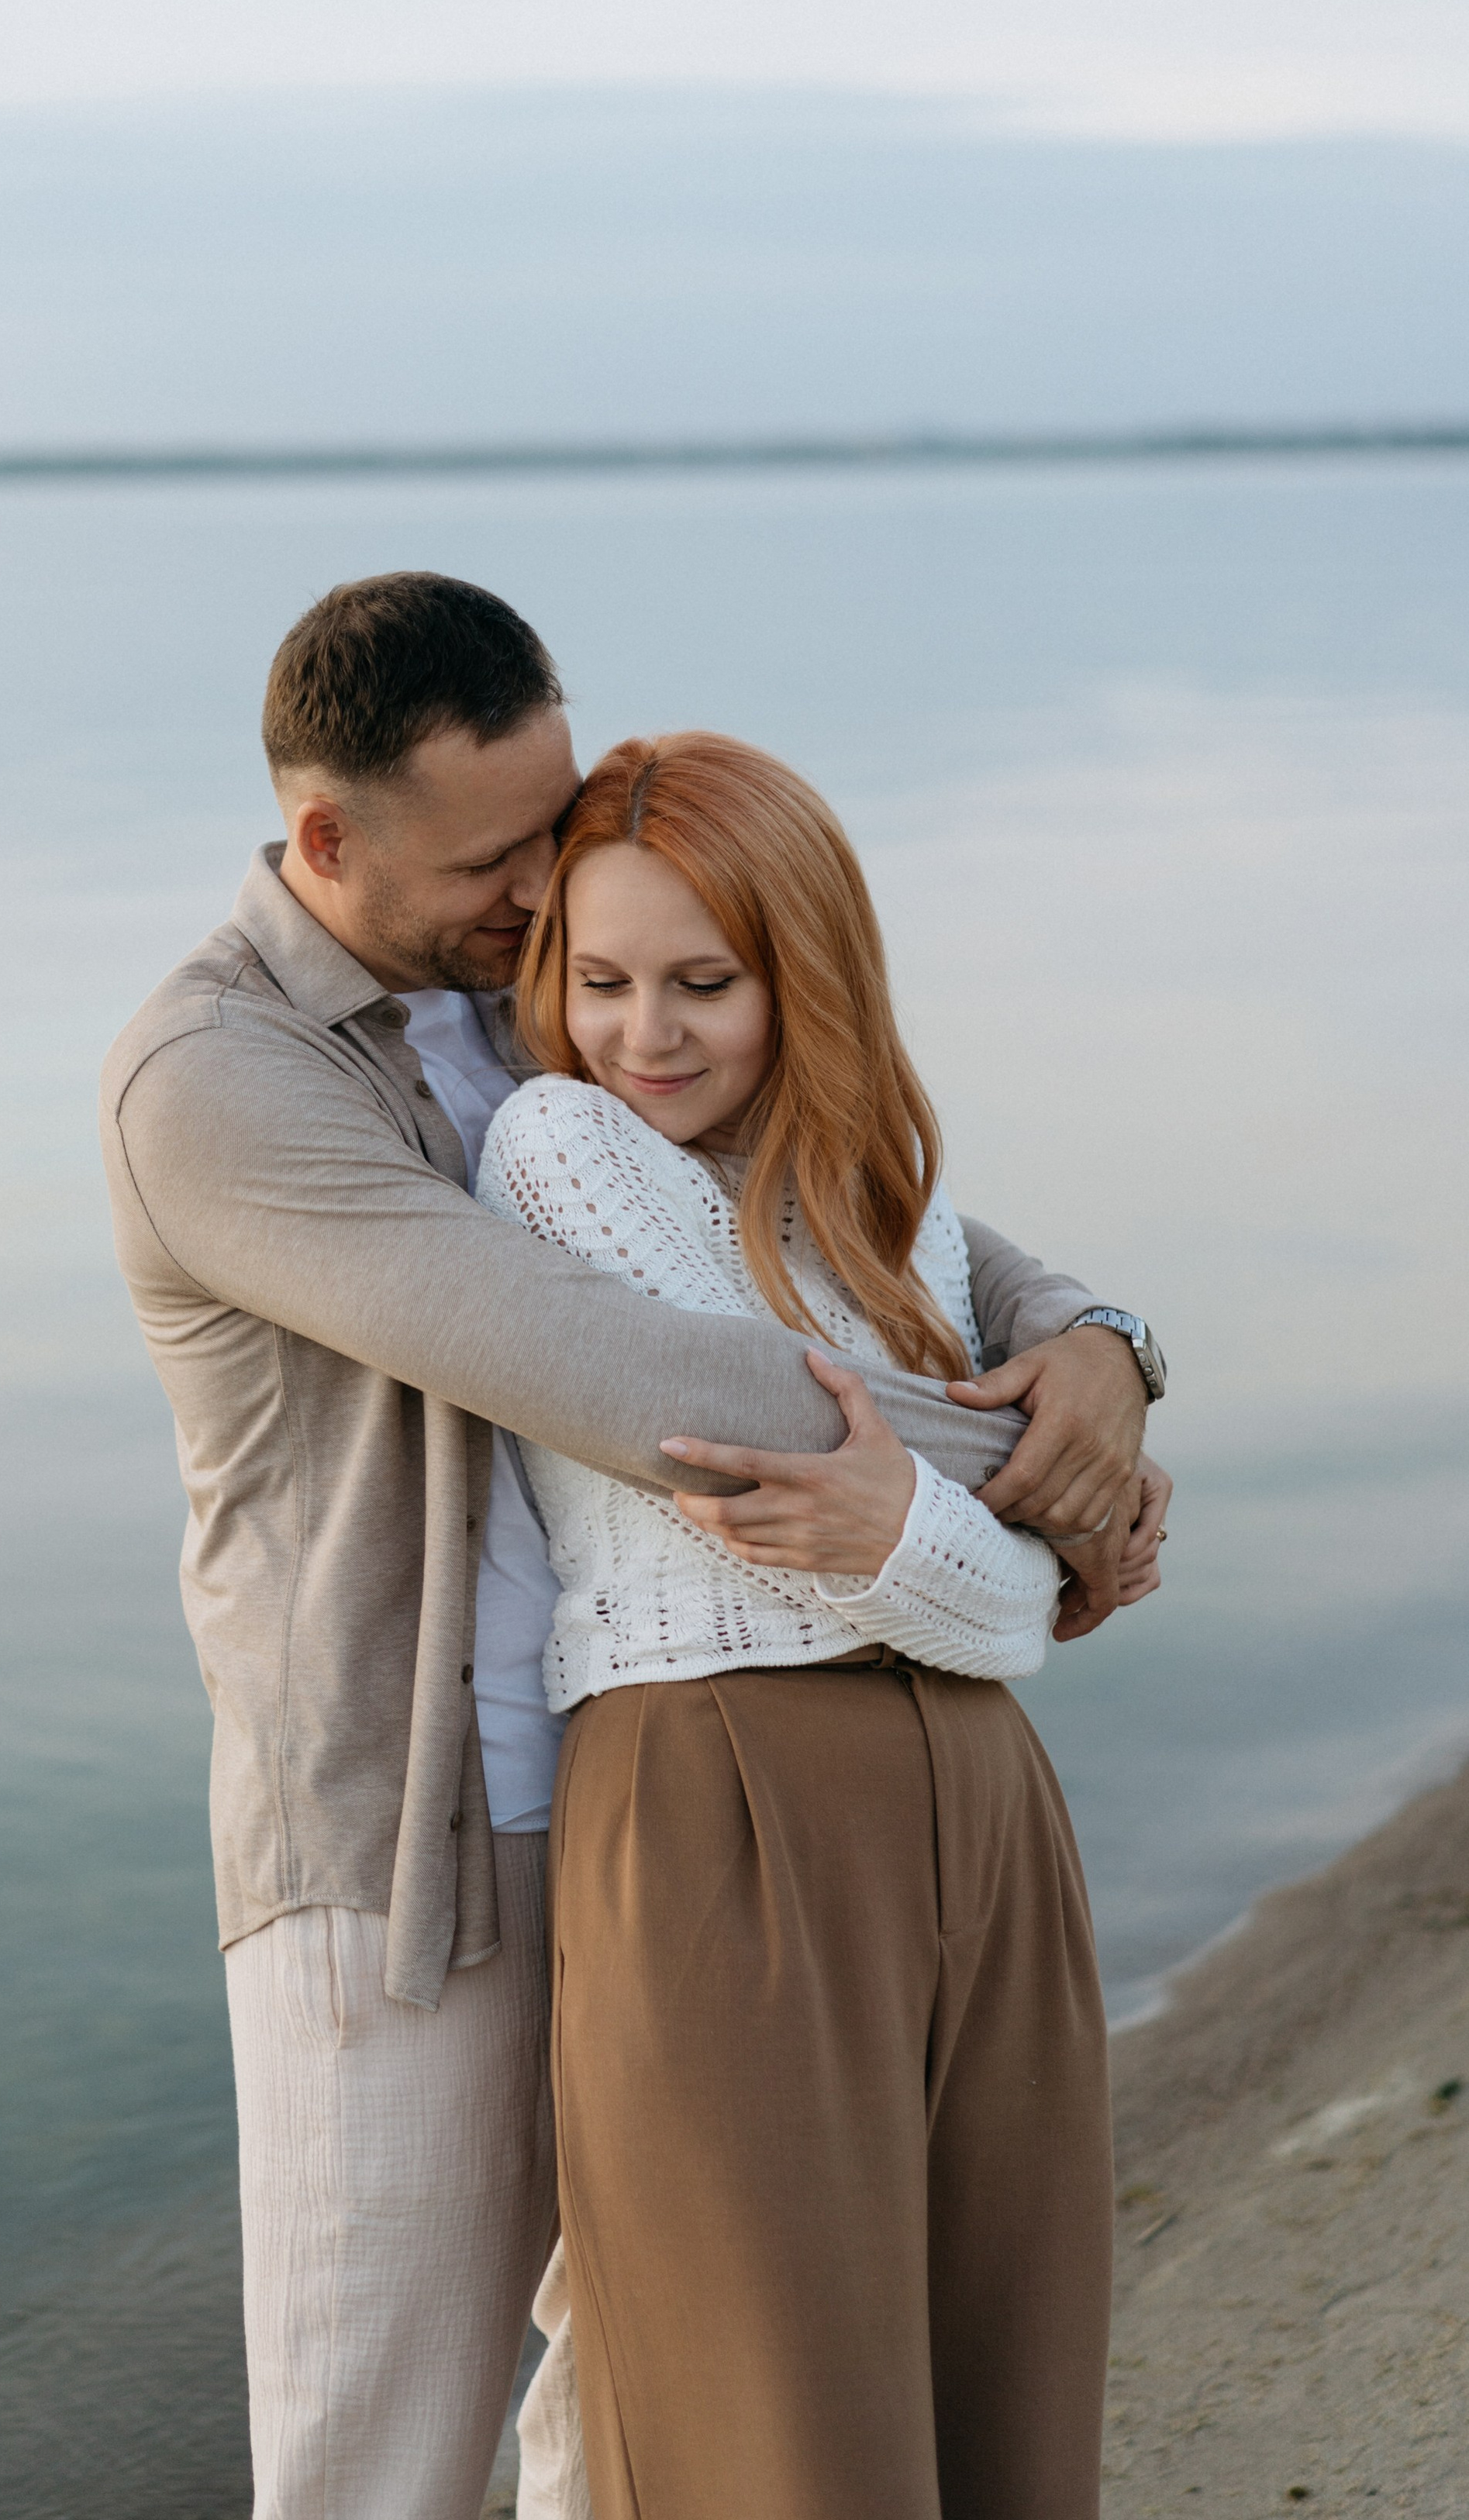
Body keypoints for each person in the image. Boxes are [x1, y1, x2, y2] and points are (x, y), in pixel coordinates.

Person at [98, 574, 1166, 2520]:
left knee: (639, 2416)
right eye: (499, 854)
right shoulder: (221, 1081)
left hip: (632, 1773)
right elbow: (661, 1386)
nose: (549, 883)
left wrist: (1100, 1346)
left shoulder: (548, 989)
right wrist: (1025, 1498)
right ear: (328, 838)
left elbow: (864, 1216)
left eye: (557, 815)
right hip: (401, 1839)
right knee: (377, 2453)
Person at [475, 727, 1167, 2520]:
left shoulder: (894, 1206)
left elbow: (961, 1568)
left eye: (705, 982)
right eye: (603, 978)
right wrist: (1036, 1534)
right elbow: (771, 1465)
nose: (646, 1035)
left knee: (1012, 2401)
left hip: (984, 1808)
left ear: (809, 975)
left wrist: (971, 1521)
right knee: (778, 2444)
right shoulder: (558, 1147)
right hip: (717, 1798)